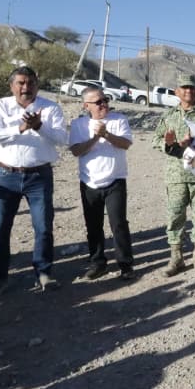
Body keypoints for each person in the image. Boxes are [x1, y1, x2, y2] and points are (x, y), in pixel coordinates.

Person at [0, 66, 67, 300]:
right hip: (6, 175)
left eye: (30, 83)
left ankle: (44, 273)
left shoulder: (51, 108)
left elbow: (62, 139)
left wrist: (39, 126)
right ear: (11, 86)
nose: (25, 87)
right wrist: (20, 127)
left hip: (39, 176)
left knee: (43, 227)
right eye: (20, 83)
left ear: (37, 85)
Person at [68, 87, 135, 281]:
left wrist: (106, 135)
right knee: (93, 225)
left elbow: (126, 144)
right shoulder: (79, 124)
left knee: (119, 223)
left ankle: (125, 264)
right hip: (89, 181)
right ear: (86, 106)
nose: (104, 104)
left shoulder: (119, 119)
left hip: (115, 180)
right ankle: (97, 263)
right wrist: (96, 137)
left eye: (105, 100)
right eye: (98, 102)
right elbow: (76, 151)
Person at [156, 73, 195, 276]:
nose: (188, 91)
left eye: (192, 88)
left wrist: (193, 141)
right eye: (184, 87)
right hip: (176, 175)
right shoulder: (168, 115)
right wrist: (169, 143)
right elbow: (156, 140)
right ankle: (176, 258)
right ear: (177, 91)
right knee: (175, 216)